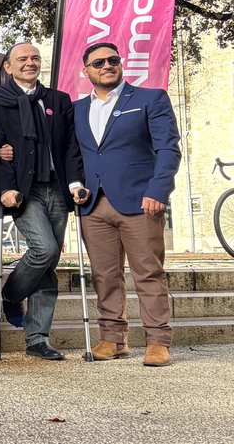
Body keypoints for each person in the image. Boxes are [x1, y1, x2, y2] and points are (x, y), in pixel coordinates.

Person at [73, 42, 181, 366]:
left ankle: (158, 341)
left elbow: (168, 149)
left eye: (113, 60)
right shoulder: (76, 109)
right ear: (86, 72)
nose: (107, 65)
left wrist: (158, 191)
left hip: (141, 202)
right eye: (98, 63)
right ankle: (113, 339)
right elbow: (73, 154)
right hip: (93, 205)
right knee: (104, 276)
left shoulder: (150, 99)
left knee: (148, 273)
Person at [0, 43, 86, 361]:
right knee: (45, 249)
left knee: (48, 266)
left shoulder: (58, 100)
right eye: (22, 59)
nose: (30, 63)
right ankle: (13, 293)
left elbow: (70, 146)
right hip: (25, 190)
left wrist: (75, 182)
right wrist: (6, 187)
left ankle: (38, 338)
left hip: (57, 186)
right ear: (8, 67)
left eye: (35, 58)